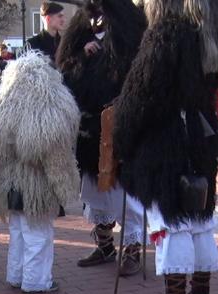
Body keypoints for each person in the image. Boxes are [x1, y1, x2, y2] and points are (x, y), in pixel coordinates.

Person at [113, 0, 218, 294]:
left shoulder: (167, 34)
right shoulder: (208, 36)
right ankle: (200, 293)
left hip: (166, 141)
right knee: (198, 217)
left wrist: (122, 141)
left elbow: (140, 96)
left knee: (170, 221)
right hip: (202, 135)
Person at [56, 0, 147, 275]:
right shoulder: (81, 27)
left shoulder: (128, 24)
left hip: (119, 119)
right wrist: (82, 55)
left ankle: (132, 248)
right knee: (95, 187)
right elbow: (66, 70)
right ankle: (105, 245)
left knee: (124, 189)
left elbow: (137, 69)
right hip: (90, 123)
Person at [0, 53, 80, 293]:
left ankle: (16, 275)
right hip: (36, 184)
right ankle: (36, 281)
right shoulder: (47, 109)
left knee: (18, 231)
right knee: (38, 233)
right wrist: (63, 186)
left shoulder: (2, 105)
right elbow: (54, 154)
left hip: (10, 182)